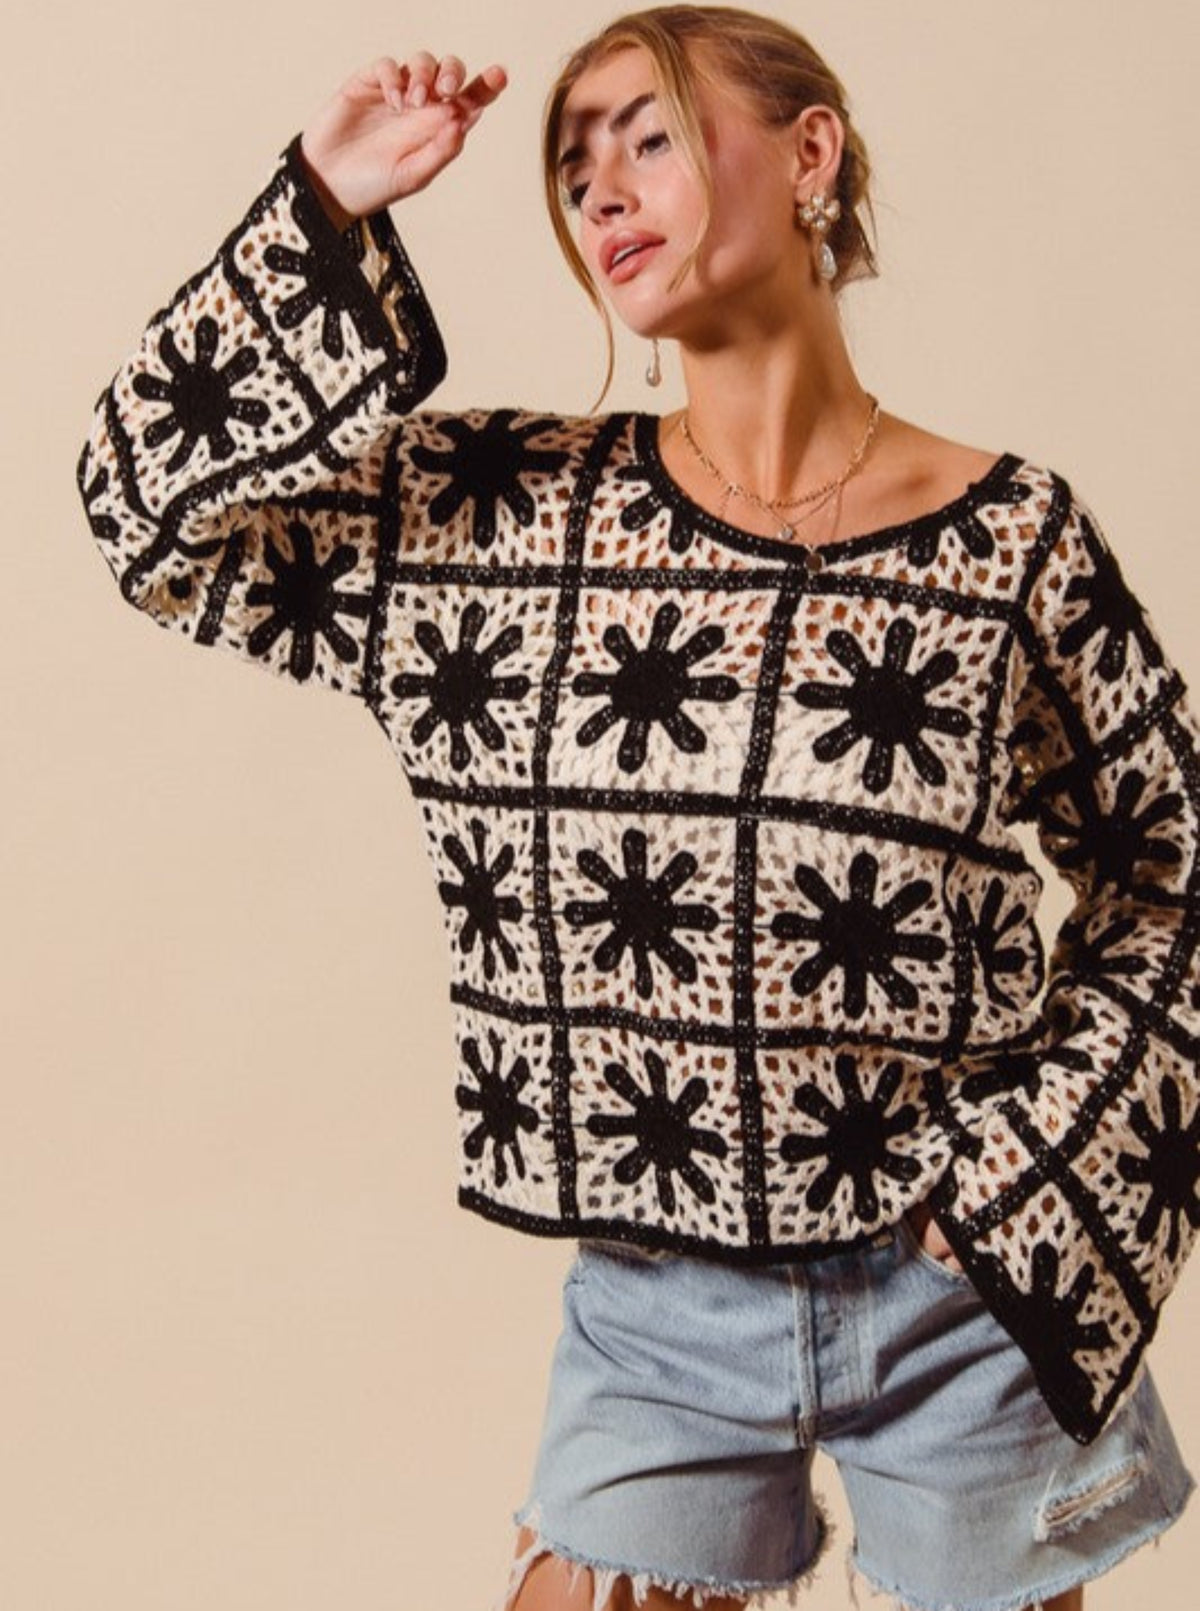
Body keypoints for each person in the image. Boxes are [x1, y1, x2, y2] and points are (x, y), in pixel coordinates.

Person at [76, 6, 1198, 1609]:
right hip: (659, 1310)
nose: (600, 188)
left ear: (809, 154)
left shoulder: (1011, 538)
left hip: (967, 1293)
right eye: (571, 165)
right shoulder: (500, 525)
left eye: (650, 135)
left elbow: (1173, 872)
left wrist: (1033, 1170)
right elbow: (147, 515)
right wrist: (323, 201)